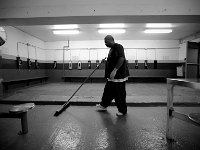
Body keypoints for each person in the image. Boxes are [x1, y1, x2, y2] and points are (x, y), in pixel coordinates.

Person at [96, 35, 130, 116]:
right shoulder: (112, 49)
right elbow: (114, 60)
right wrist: (106, 61)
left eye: (106, 42)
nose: (105, 44)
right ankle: (103, 105)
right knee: (107, 91)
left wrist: (115, 70)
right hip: (112, 77)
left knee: (119, 93)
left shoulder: (118, 46)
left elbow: (121, 58)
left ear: (111, 40)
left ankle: (122, 110)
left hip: (118, 76)